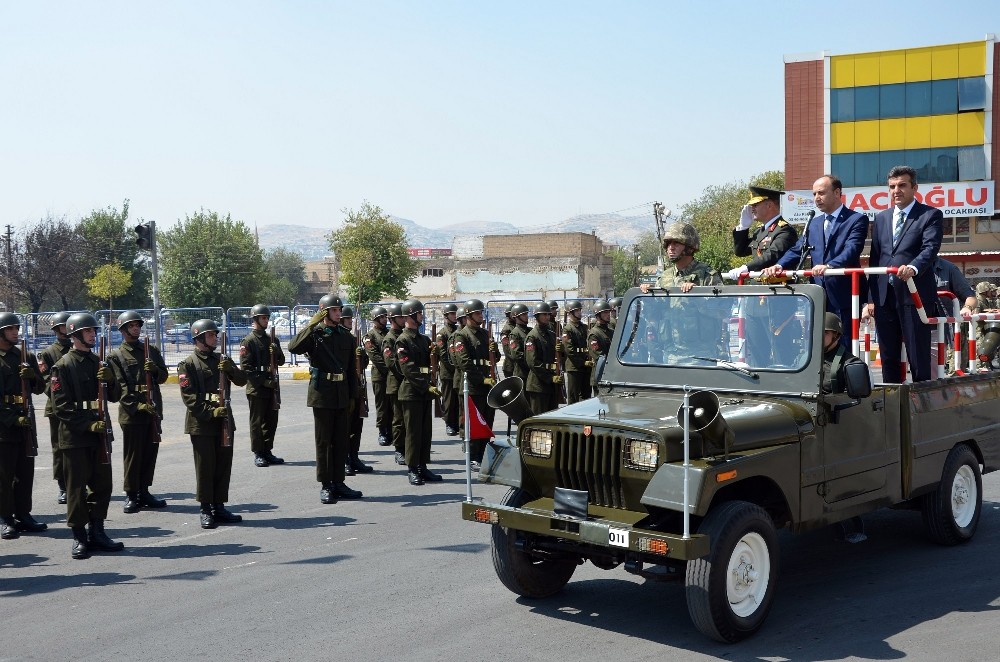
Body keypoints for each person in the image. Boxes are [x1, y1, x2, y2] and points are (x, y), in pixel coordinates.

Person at [761, 175, 868, 346]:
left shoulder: (855, 220)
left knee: (844, 345)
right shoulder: (814, 223)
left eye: (821, 193)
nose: (817, 198)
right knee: (818, 345)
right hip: (818, 295)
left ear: (837, 192)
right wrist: (779, 265)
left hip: (843, 295)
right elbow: (798, 249)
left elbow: (852, 249)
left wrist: (831, 265)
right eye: (814, 194)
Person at [50, 313, 124, 559]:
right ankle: (79, 536)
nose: (93, 334)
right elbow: (61, 407)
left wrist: (110, 380)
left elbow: (113, 396)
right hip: (75, 437)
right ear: (76, 334)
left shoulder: (99, 363)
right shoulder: (62, 366)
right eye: (89, 331)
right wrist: (88, 426)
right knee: (76, 488)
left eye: (93, 331)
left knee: (103, 486)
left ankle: (98, 531)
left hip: (99, 433)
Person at [863, 166, 943, 382]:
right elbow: (876, 257)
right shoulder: (880, 218)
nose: (896, 191)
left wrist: (913, 268)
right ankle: (892, 403)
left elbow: (930, 248)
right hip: (883, 296)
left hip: (913, 294)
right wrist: (871, 298)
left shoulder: (930, 215)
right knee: (888, 355)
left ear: (914, 188)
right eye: (892, 187)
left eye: (902, 185)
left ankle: (920, 404)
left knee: (918, 354)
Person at [288, 295, 363, 504]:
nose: (339, 314)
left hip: (341, 393)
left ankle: (339, 482)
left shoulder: (346, 337)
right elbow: (293, 347)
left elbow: (350, 370)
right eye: (334, 310)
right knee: (324, 442)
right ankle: (326, 484)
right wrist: (311, 325)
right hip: (322, 394)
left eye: (340, 310)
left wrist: (352, 397)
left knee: (340, 441)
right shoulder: (315, 334)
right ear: (324, 311)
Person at [177, 319, 248, 528]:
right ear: (199, 338)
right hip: (202, 423)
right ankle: (206, 508)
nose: (215, 338)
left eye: (215, 335)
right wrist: (211, 412)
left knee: (223, 465)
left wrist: (231, 369)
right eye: (210, 335)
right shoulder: (188, 364)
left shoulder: (221, 359)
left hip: (224, 419)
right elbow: (189, 397)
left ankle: (219, 506)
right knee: (205, 467)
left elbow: (242, 380)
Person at [108, 310, 169, 514]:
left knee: (150, 452)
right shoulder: (116, 356)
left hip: (152, 407)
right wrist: (137, 406)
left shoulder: (150, 350)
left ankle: (144, 491)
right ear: (124, 329)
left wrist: (154, 370)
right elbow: (120, 387)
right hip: (132, 412)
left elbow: (163, 377)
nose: (136, 328)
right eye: (132, 325)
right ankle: (131, 494)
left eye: (138, 325)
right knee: (133, 455)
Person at [0, 313, 45, 541]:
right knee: (4, 475)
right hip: (4, 425)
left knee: (25, 472)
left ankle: (23, 514)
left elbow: (40, 388)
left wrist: (32, 377)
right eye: (10, 329)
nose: (15, 332)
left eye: (16, 328)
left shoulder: (23, 355)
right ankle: (6, 518)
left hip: (25, 420)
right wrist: (11, 419)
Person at [394, 299, 441, 486]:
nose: (422, 316)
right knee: (413, 432)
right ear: (410, 315)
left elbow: (429, 365)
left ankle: (422, 466)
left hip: (423, 391)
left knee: (424, 432)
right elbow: (408, 369)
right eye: (419, 313)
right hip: (412, 391)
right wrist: (425, 386)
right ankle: (412, 468)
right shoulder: (402, 340)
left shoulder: (424, 340)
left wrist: (437, 353)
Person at [451, 299, 497, 471]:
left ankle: (484, 454)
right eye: (478, 313)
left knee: (486, 422)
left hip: (487, 385)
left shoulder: (485, 334)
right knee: (473, 424)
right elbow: (464, 362)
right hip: (472, 385)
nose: (481, 315)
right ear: (469, 315)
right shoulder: (461, 336)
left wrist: (494, 349)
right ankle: (473, 457)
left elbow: (495, 358)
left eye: (481, 312)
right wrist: (481, 379)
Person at [239, 304, 285, 468]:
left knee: (271, 421)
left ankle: (267, 450)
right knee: (257, 422)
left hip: (272, 385)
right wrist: (264, 381)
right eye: (263, 318)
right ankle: (258, 453)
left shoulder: (273, 339)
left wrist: (277, 351)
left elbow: (281, 361)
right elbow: (246, 368)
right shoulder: (248, 341)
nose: (266, 320)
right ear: (255, 319)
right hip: (257, 387)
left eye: (267, 318)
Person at [726, 186, 798, 281]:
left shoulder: (785, 230)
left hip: (778, 289)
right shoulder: (760, 231)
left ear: (769, 205)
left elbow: (772, 254)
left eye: (755, 205)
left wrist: (747, 267)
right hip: (759, 287)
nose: (752, 209)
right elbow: (740, 251)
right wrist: (743, 227)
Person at [37, 311, 72, 504]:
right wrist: (64, 395)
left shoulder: (79, 349)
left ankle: (78, 482)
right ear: (57, 328)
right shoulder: (48, 353)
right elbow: (46, 383)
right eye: (63, 325)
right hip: (57, 408)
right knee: (59, 447)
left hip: (77, 407)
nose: (66, 328)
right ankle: (63, 485)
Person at [640, 221, 723, 293]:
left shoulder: (707, 275)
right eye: (668, 243)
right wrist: (648, 291)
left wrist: (697, 293)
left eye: (676, 243)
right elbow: (658, 309)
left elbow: (722, 307)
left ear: (689, 248)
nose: (671, 248)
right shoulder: (664, 277)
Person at [341, 306, 372, 475]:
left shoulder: (354, 339)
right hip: (345, 388)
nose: (350, 321)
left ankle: (354, 457)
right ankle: (345, 459)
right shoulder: (340, 340)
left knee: (356, 426)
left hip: (357, 387)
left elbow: (364, 364)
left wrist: (362, 355)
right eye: (348, 319)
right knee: (344, 427)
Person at [931, 258, 976, 372]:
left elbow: (970, 297)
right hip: (904, 327)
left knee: (931, 375)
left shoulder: (948, 268)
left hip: (936, 331)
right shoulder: (902, 264)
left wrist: (967, 307)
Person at [381, 303, 407, 466]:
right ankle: (399, 450)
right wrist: (408, 375)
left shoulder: (405, 336)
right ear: (392, 319)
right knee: (398, 420)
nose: (404, 319)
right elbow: (391, 363)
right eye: (400, 317)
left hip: (408, 383)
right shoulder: (389, 339)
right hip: (397, 384)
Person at [524, 302, 561, 415]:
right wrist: (550, 378)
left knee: (552, 418)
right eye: (543, 315)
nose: (547, 317)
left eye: (548, 314)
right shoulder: (532, 336)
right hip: (538, 385)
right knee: (540, 418)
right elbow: (533, 362)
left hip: (551, 384)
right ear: (537, 317)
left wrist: (562, 350)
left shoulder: (551, 334)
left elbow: (557, 358)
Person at [363, 306, 392, 446]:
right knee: (382, 405)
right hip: (380, 375)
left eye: (385, 317)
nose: (385, 319)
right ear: (375, 319)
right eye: (382, 317)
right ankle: (382, 431)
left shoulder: (390, 333)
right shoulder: (370, 336)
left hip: (392, 374)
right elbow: (375, 356)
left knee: (393, 404)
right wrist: (389, 369)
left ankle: (393, 431)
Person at [821, 313, 866, 394]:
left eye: (825, 332)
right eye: (816, 331)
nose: (819, 336)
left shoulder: (850, 363)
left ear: (836, 336)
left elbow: (857, 399)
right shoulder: (803, 359)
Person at [435, 303, 460, 436]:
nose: (455, 316)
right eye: (452, 314)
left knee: (458, 400)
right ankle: (449, 423)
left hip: (458, 371)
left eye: (456, 313)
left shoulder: (458, 331)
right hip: (448, 372)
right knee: (449, 400)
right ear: (446, 316)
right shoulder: (442, 334)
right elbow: (444, 355)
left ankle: (458, 422)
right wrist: (456, 367)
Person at [561, 299, 591, 403]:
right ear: (570, 313)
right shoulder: (567, 329)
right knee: (573, 396)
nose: (580, 313)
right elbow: (570, 350)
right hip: (574, 367)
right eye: (577, 311)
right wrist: (583, 362)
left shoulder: (584, 327)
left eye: (580, 310)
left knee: (586, 395)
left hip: (586, 367)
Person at [587, 299, 613, 390]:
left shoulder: (611, 331)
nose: (608, 315)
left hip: (612, 374)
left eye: (608, 312)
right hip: (601, 374)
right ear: (598, 315)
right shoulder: (594, 334)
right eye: (605, 313)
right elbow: (598, 356)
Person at [506, 304, 531, 383]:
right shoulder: (515, 334)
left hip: (532, 372)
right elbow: (517, 355)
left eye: (526, 314)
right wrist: (532, 363)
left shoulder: (530, 331)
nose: (526, 316)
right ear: (516, 316)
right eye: (523, 315)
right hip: (522, 373)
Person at [498, 303, 516, 380]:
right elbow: (508, 351)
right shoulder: (506, 330)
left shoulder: (516, 326)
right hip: (511, 367)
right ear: (509, 315)